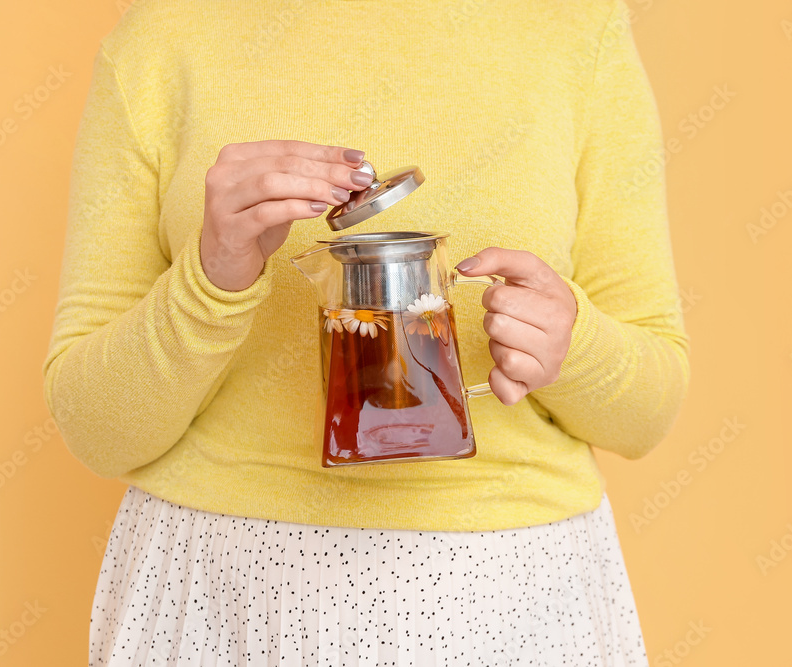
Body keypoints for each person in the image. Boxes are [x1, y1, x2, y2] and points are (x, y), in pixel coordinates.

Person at [43, 0, 690, 664]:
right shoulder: (162, 35)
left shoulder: (577, 28)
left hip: (510, 603)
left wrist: (573, 345)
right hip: (224, 596)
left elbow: (649, 407)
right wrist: (211, 278)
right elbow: (95, 429)